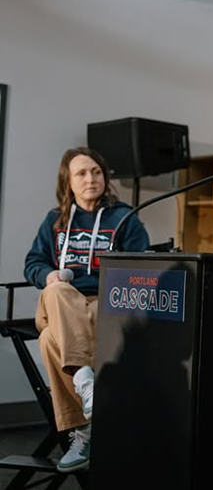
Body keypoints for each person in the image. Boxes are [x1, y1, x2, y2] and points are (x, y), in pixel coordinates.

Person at [24, 147, 150, 472]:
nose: (90, 178)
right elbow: (33, 262)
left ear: (104, 177)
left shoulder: (123, 218)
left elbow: (143, 266)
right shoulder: (55, 220)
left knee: (49, 339)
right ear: (68, 181)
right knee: (56, 290)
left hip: (104, 305)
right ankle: (88, 386)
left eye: (96, 172)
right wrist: (48, 275)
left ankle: (84, 431)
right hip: (61, 303)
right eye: (81, 173)